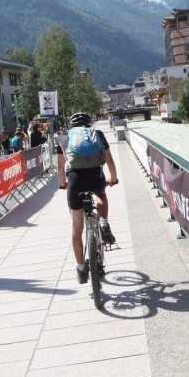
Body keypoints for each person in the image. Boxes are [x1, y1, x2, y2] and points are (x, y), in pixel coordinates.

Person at [56, 112, 118, 284]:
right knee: (101, 195)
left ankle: (81, 268)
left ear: (71, 125)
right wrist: (113, 178)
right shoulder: (97, 134)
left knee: (77, 228)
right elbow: (110, 160)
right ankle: (104, 223)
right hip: (95, 176)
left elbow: (60, 167)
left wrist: (62, 184)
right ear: (89, 124)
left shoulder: (63, 138)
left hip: (75, 181)